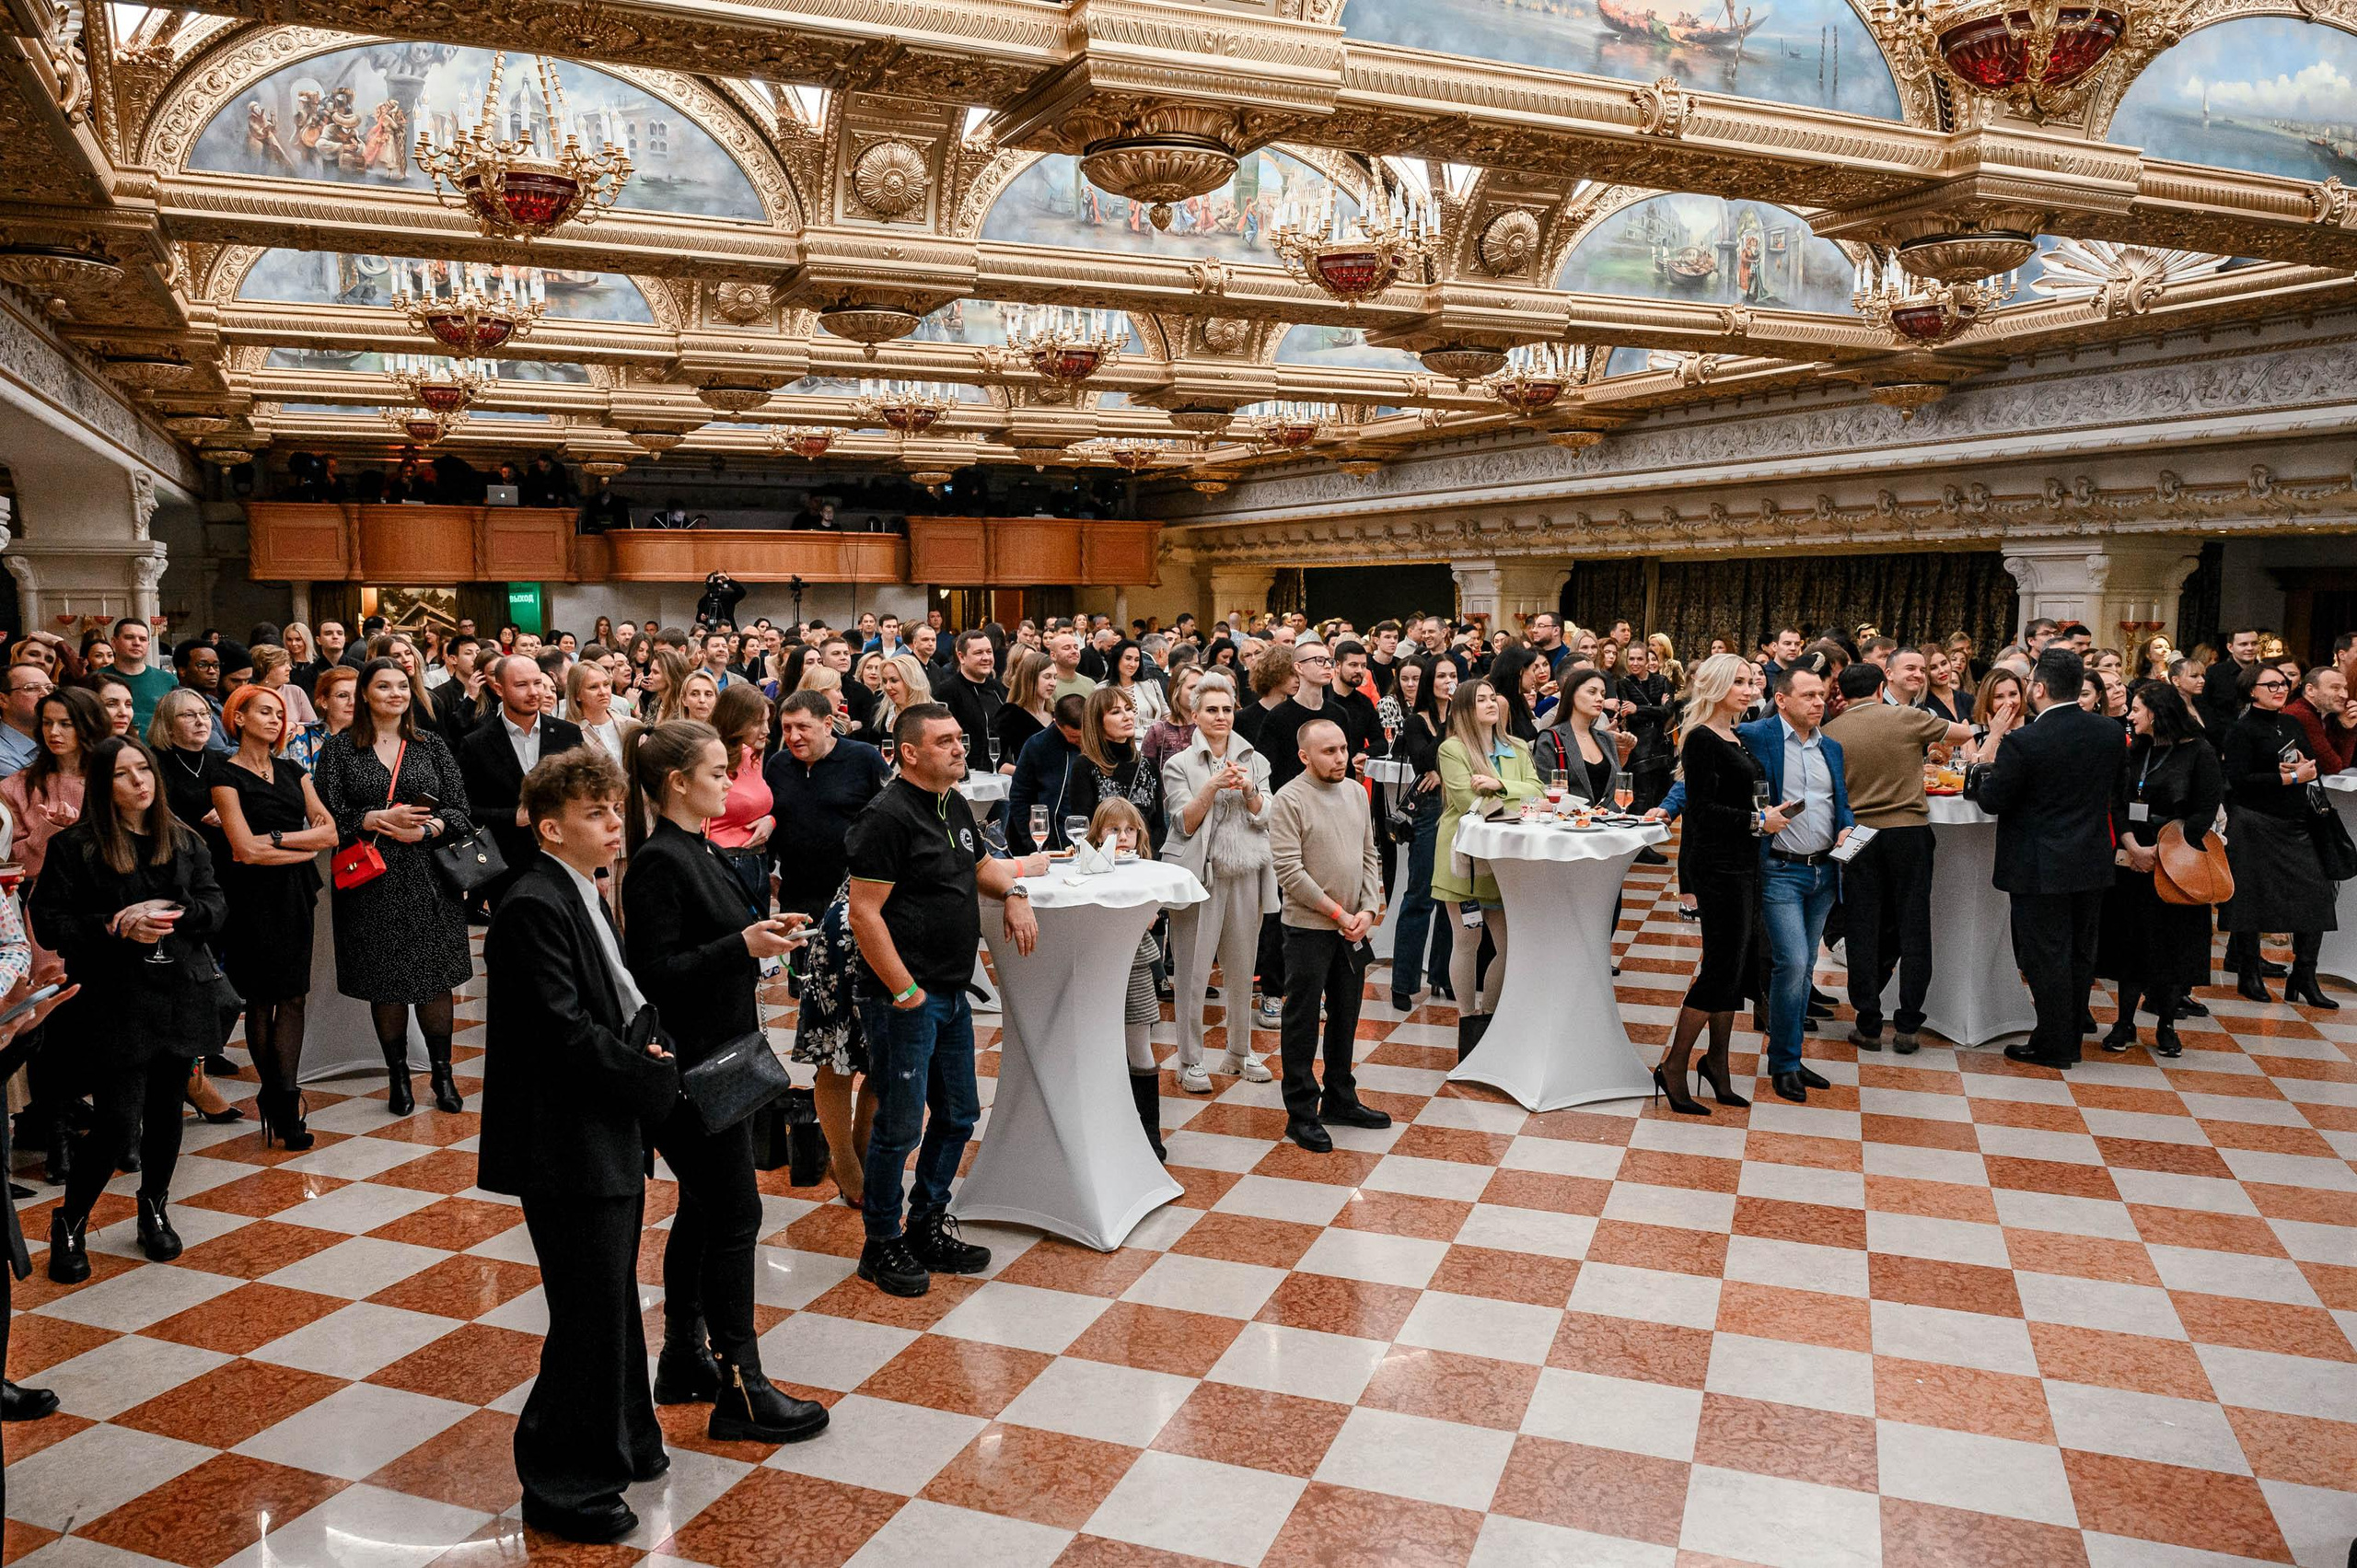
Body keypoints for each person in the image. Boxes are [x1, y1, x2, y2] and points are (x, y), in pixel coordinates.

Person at [477, 747, 682, 1542]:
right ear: (551, 827)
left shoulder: (580, 888)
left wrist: (646, 1044)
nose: (613, 824)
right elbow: (562, 1033)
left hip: (600, 1124)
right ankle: (561, 1481)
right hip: (564, 1139)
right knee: (589, 1311)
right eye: (597, 814)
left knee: (609, 1299)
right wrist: (644, 1073)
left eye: (614, 809)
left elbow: (612, 993)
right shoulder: (533, 902)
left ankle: (625, 1438)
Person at [618, 719, 830, 1443]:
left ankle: (683, 1355)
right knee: (736, 1214)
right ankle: (742, 1385)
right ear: (678, 782)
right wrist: (739, 944)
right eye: (717, 771)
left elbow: (706, 944)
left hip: (720, 1055)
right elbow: (653, 974)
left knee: (708, 1211)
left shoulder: (697, 848)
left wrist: (760, 935)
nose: (730, 783)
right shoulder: (659, 860)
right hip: (690, 1067)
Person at [845, 704, 1041, 1297]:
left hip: (951, 990)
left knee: (958, 1114)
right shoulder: (886, 818)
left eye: (960, 738)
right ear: (910, 752)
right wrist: (903, 989)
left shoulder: (952, 804)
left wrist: (1018, 888)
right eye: (946, 742)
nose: (961, 749)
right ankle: (880, 1243)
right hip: (906, 997)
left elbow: (981, 866)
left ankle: (928, 1222)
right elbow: (864, 912)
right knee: (899, 1127)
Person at [31, 737, 226, 1281]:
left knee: (167, 1113)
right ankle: (70, 1221)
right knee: (118, 1122)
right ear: (102, 784)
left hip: (179, 990)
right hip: (115, 998)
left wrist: (174, 915)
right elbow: (50, 922)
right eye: (123, 774)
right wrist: (116, 925)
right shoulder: (77, 846)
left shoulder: (183, 838)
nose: (140, 781)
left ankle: (154, 1206)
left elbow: (215, 904)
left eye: (145, 770)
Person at [315, 657, 476, 1114]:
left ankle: (443, 1076)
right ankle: (398, 1077)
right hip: (372, 879)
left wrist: (425, 830)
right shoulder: (340, 749)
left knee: (434, 980)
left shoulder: (431, 747)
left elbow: (462, 812)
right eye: (383, 686)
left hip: (429, 878)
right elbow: (326, 821)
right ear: (365, 694)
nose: (395, 694)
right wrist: (371, 819)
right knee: (386, 983)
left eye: (402, 686)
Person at [1968, 648, 2125, 1069]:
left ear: (2038, 688)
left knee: (2044, 955)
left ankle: (2055, 1044)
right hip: (2091, 858)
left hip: (2039, 863)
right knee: (2078, 953)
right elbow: (2117, 792)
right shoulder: (2109, 732)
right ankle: (2066, 1035)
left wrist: (1982, 775)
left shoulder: (2025, 740)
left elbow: (1995, 801)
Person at [208, 685, 336, 1147]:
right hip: (250, 899)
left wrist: (278, 842)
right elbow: (242, 850)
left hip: (295, 895)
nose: (275, 720)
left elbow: (330, 832)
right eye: (264, 712)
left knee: (295, 996)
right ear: (237, 718)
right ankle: (280, 1099)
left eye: (279, 714)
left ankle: (282, 1093)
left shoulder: (293, 770)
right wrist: (299, 847)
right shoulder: (224, 775)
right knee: (262, 1001)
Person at [1824, 661, 1973, 1053]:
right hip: (1908, 831)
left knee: (1862, 925)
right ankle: (1908, 1024)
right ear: (1879, 688)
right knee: (1914, 924)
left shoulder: (1830, 731)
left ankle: (1868, 1021)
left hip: (1858, 835)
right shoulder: (1906, 717)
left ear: (1843, 693)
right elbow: (1962, 733)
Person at [1643, 655, 1762, 1114]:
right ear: (1714, 685)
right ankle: (1674, 1064)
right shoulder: (1701, 739)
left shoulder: (1736, 736)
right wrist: (1758, 822)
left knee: (1733, 967)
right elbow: (1703, 811)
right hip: (1718, 866)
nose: (1748, 688)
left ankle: (1717, 1063)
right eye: (1738, 681)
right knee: (1718, 968)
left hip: (1743, 862)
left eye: (1751, 681)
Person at [1268, 718, 1388, 1154]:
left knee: (1347, 1012)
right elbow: (1290, 873)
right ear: (1305, 756)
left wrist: (1369, 910)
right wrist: (1339, 913)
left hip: (1352, 925)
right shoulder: (1289, 800)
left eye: (1342, 749)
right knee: (1302, 1020)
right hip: (1308, 929)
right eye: (1329, 752)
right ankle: (1301, 1113)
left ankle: (1341, 1096)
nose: (1340, 758)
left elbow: (1370, 853)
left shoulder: (1356, 792)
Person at [1738, 666, 1854, 1102]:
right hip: (1780, 870)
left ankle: (1793, 1056)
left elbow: (1838, 802)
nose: (1818, 702)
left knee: (1804, 969)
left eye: (1822, 694)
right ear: (1782, 699)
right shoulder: (1757, 735)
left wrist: (1846, 828)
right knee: (1792, 962)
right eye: (1808, 695)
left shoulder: (1833, 748)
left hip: (1825, 871)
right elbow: (1705, 776)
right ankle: (1783, 1063)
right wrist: (1667, 809)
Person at [1160, 671, 1277, 1093]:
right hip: (1199, 876)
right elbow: (1183, 821)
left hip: (1246, 872)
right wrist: (1210, 786)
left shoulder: (1255, 759)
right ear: (1194, 715)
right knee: (1192, 972)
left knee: (1243, 970)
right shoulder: (1178, 764)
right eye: (1211, 710)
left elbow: (1268, 816)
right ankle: (1190, 1060)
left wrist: (1248, 789)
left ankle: (1239, 1052)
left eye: (1227, 709)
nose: (1221, 716)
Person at [2096, 681, 2223, 1058]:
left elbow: (2204, 810)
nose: (2130, 716)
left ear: (2156, 711)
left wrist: (2164, 850)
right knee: (2128, 944)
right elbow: (2118, 801)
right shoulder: (2137, 750)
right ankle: (2124, 1023)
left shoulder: (2199, 752)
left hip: (2178, 863)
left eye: (2136, 710)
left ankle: (2167, 1025)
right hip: (2134, 860)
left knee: (2173, 946)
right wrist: (2132, 844)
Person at [2221, 662, 2340, 1007]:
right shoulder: (2240, 730)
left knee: (2315, 898)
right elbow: (2239, 782)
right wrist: (2287, 777)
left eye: (2284, 683)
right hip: (2255, 822)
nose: (2279, 689)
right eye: (2270, 684)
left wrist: (2303, 766)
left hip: (2295, 823)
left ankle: (2304, 975)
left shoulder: (2291, 722)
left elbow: (2313, 764)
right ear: (2251, 690)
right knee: (2252, 901)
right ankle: (2249, 974)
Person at [1432, 679, 1541, 1054]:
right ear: (1464, 709)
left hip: (1507, 862)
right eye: (1480, 699)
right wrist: (1513, 796)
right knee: (1467, 939)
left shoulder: (1518, 746)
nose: (1491, 703)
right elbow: (1467, 802)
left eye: (1492, 696)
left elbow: (1539, 793)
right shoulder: (1453, 749)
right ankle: (1468, 1022)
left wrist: (1497, 783)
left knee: (1508, 945)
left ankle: (1490, 1017)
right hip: (1465, 860)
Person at [459, 654, 585, 911]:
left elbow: (584, 797)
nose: (533, 692)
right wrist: (512, 817)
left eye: (537, 683)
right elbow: (466, 809)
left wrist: (600, 870)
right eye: (521, 685)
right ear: (498, 688)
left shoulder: (567, 734)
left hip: (565, 857)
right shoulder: (477, 744)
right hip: (507, 867)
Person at [1091, 796, 1171, 1159]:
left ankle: (1149, 1130)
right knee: (1104, 1044)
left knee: (1139, 1043)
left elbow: (1153, 913)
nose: (1122, 837)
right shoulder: (1091, 868)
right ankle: (1114, 1122)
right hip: (1101, 965)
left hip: (1137, 965)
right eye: (1113, 830)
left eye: (1129, 830)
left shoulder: (1146, 870)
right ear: (1097, 835)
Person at [1386, 656, 1456, 1009]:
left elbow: (1475, 759)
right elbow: (1424, 762)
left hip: (1459, 808)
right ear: (1430, 682)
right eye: (1442, 676)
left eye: (1454, 676)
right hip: (1429, 812)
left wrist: (1448, 774)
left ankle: (1444, 975)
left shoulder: (1465, 718)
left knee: (1455, 897)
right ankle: (1403, 982)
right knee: (1420, 896)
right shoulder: (1416, 721)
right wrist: (1447, 723)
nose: (1449, 682)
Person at [704, 684, 776, 913]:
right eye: (757, 723)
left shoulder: (753, 754)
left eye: (767, 721)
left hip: (758, 861)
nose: (765, 730)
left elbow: (760, 805)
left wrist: (770, 821)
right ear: (735, 721)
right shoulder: (709, 757)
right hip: (723, 863)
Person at [1074, 685, 1165, 850]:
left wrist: (1144, 855)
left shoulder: (1148, 765)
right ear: (1097, 722)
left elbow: (1159, 826)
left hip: (1145, 861)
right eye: (1116, 712)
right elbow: (1083, 828)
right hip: (1104, 862)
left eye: (1129, 709)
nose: (1127, 717)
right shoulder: (1085, 766)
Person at [1004, 692, 1088, 853]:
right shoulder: (1037, 745)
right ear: (1057, 723)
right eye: (1074, 737)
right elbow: (1019, 796)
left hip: (1088, 837)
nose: (1080, 741)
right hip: (1050, 843)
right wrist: (1033, 842)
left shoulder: (1097, 740)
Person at [936, 630, 1005, 769]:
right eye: (979, 653)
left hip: (1000, 771)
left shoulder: (999, 688)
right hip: (966, 773)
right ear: (961, 657)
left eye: (989, 652)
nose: (986, 657)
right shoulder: (947, 691)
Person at [110, 618, 178, 735]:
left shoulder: (168, 680)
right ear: (114, 642)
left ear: (148, 645)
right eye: (129, 637)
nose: (137, 643)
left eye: (142, 639)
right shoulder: (97, 679)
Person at [567, 656, 636, 766]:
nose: (603, 692)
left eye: (606, 684)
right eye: (593, 687)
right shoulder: (569, 733)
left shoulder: (631, 725)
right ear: (577, 695)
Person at [0, 662, 49, 777]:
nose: (45, 694)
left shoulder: (59, 739)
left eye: (50, 688)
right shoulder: (3, 757)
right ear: (3, 700)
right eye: (32, 688)